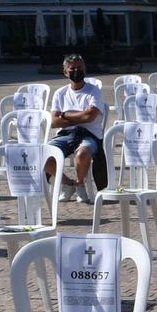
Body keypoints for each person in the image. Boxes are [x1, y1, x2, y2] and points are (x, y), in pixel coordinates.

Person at [48, 53, 104, 203]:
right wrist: (80, 116)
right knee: (43, 154)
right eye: (72, 68)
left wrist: (65, 114)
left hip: (89, 134)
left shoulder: (94, 91)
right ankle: (67, 183)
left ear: (85, 69)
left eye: (80, 68)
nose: (76, 71)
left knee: (83, 154)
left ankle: (80, 184)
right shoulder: (60, 93)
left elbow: (90, 118)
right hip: (65, 135)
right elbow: (54, 122)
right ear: (65, 72)